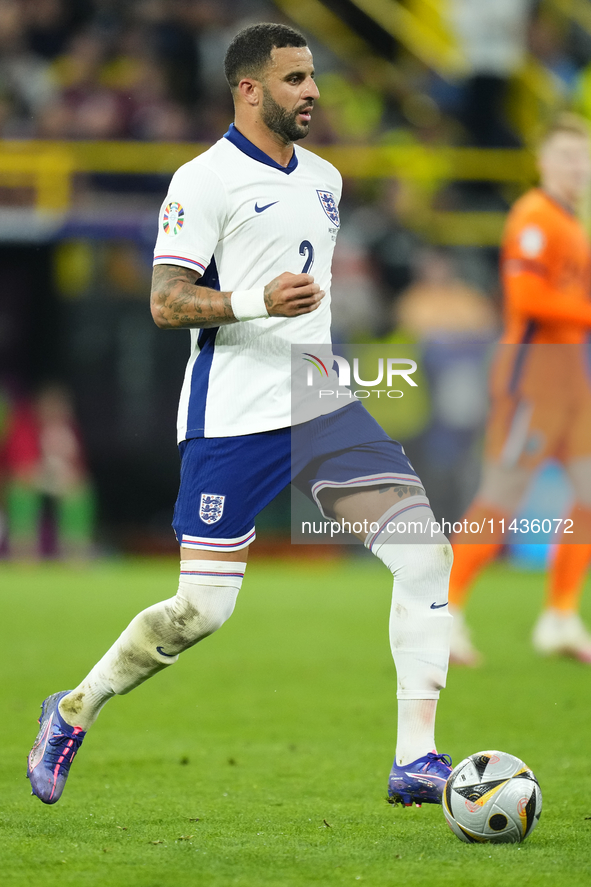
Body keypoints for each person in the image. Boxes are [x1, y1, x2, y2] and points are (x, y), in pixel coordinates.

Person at [27, 23, 453, 807]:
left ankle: (414, 760)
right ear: (248, 89)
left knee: (424, 551)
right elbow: (163, 301)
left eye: (313, 77)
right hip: (232, 410)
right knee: (200, 611)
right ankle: (74, 707)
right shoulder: (202, 180)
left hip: (318, 399)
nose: (313, 92)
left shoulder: (324, 177)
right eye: (294, 79)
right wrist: (257, 299)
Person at [449, 113, 591, 665]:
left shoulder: (571, 222)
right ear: (542, 161)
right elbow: (526, 300)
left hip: (567, 380)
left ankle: (559, 617)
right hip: (532, 375)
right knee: (501, 499)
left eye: (582, 159)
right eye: (566, 157)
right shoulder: (535, 216)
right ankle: (444, 614)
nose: (575, 168)